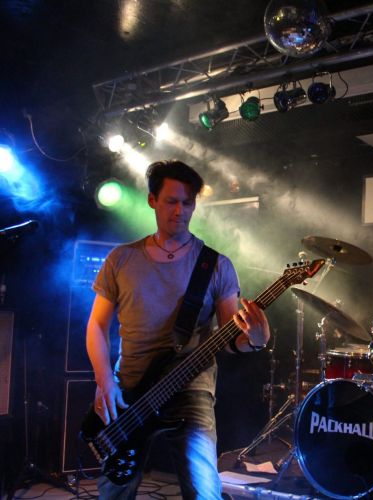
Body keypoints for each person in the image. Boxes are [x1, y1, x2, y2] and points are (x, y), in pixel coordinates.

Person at [85, 160, 270, 499]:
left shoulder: (215, 265)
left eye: (187, 202)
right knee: (115, 492)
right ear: (152, 200)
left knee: (204, 488)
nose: (180, 211)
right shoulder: (121, 259)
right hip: (129, 388)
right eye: (171, 201)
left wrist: (255, 341)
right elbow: (97, 325)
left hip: (190, 388)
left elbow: (231, 339)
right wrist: (104, 380)